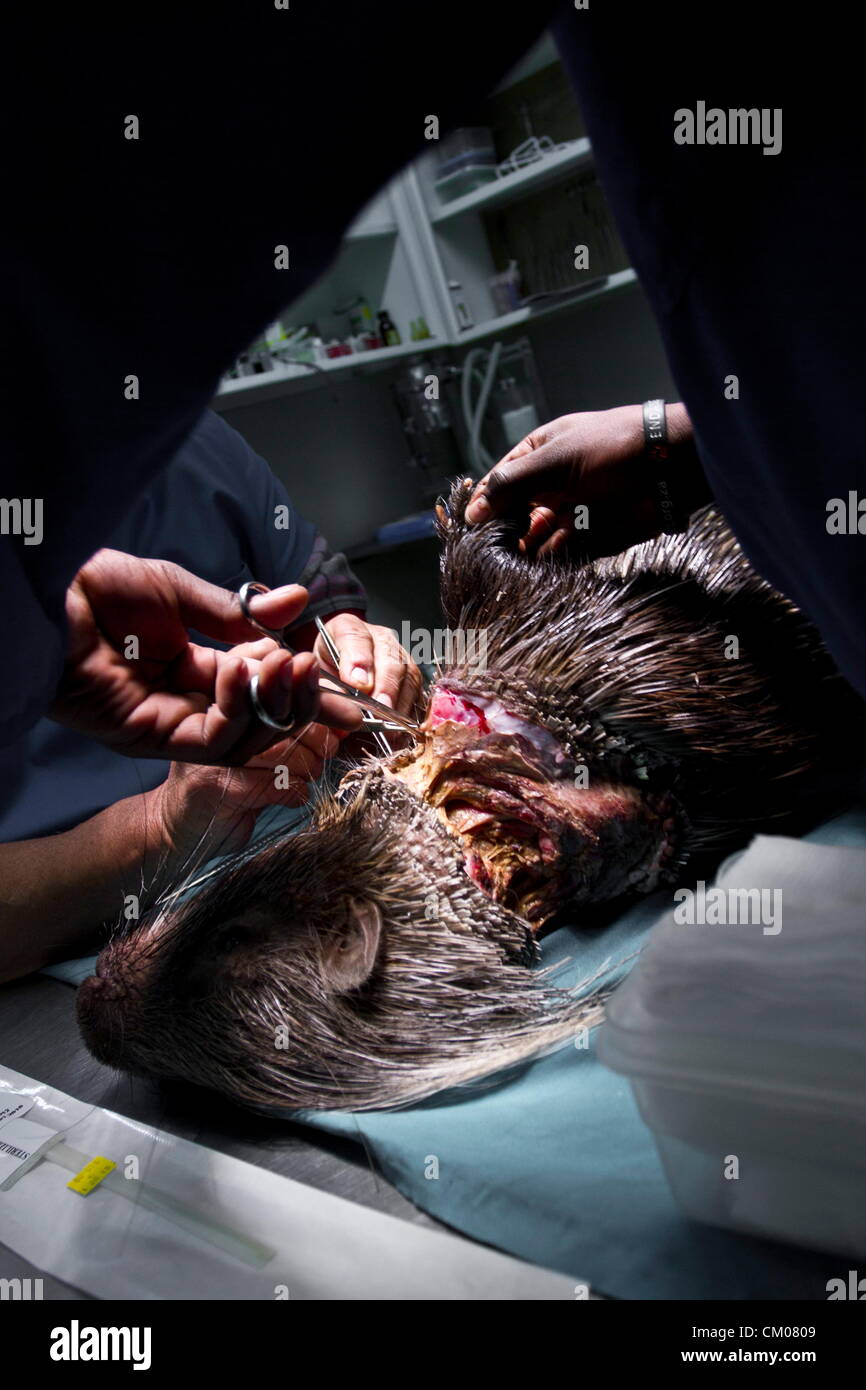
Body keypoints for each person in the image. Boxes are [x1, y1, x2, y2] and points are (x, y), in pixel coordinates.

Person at [0, 411, 422, 981]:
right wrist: (165, 825)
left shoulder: (188, 436)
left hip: (308, 856)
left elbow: (321, 608)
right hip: (56, 959)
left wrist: (360, 665)